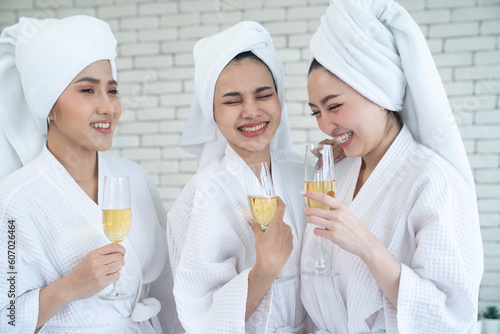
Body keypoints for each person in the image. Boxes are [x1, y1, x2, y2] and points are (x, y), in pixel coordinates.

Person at [300, 0, 484, 333]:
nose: (326, 125)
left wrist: (367, 246)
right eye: (316, 112)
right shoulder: (336, 172)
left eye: (335, 106)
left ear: (381, 95)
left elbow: (451, 317)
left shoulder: (433, 181)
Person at [0, 16, 178, 333]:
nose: (108, 107)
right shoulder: (13, 201)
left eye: (112, 90)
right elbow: (6, 318)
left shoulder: (136, 179)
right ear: (48, 107)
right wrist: (70, 287)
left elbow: (167, 286)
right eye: (87, 90)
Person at [167, 21, 310, 333]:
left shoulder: (303, 172)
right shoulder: (204, 194)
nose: (251, 111)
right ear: (213, 113)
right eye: (232, 101)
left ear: (280, 99)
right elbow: (200, 319)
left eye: (264, 95)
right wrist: (265, 270)